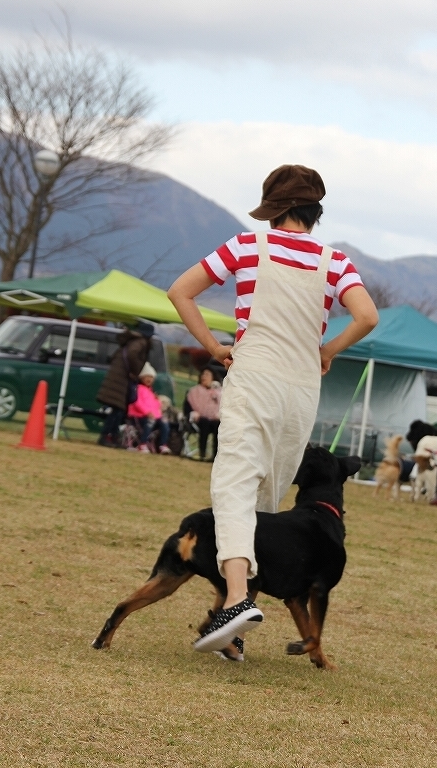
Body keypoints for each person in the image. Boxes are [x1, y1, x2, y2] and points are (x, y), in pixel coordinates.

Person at [168, 163, 378, 654]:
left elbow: (181, 291)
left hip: (255, 375)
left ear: (277, 209)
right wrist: (328, 350)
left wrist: (215, 347)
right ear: (312, 212)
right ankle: (234, 632)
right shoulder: (335, 262)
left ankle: (237, 602)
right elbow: (366, 315)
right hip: (302, 390)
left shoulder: (246, 247)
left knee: (234, 488)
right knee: (265, 497)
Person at [97, 321, 154, 447]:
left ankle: (111, 436)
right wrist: (135, 370)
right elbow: (132, 354)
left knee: (117, 410)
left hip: (117, 377)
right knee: (118, 410)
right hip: (121, 379)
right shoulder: (141, 342)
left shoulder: (130, 341)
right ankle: (107, 436)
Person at [126, 362, 172, 454]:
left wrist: (158, 402)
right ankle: (142, 444)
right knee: (150, 421)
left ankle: (163, 445)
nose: (149, 379)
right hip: (138, 416)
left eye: (151, 377)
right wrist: (147, 412)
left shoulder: (151, 392)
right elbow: (137, 403)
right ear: (141, 377)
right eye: (147, 377)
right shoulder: (138, 389)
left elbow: (156, 406)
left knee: (164, 422)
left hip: (152, 416)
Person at [184, 367, 222, 461]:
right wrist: (192, 413)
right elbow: (186, 408)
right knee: (204, 421)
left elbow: (223, 406)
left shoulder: (219, 393)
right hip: (198, 420)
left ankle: (215, 456)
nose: (204, 376)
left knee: (218, 424)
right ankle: (202, 453)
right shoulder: (193, 391)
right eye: (203, 374)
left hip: (214, 420)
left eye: (207, 375)